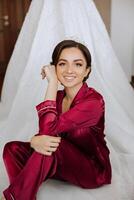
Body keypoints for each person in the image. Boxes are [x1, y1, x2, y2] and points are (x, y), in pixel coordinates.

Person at [1, 40, 111, 200]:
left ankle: (15, 197)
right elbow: (44, 136)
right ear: (55, 68)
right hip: (61, 163)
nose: (69, 70)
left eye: (78, 64)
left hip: (92, 171)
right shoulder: (57, 97)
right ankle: (24, 191)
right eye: (62, 64)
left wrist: (52, 82)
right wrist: (34, 141)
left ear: (87, 71)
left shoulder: (94, 102)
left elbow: (48, 133)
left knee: (52, 144)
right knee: (12, 149)